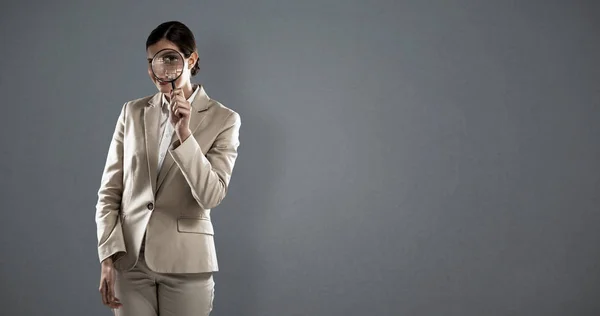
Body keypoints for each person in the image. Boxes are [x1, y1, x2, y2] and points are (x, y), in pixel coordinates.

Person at [94, 21, 241, 316]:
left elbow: (211, 195)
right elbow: (110, 192)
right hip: (131, 263)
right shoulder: (132, 112)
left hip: (187, 264)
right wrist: (108, 257)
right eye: (151, 61)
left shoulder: (224, 119)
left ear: (191, 59)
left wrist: (184, 134)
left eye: (169, 57)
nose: (156, 69)